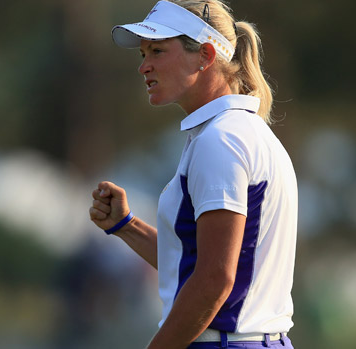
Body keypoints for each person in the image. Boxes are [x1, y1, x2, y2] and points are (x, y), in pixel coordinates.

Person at [89, 1, 297, 348]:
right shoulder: (239, 131)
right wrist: (126, 226)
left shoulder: (221, 141)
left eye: (157, 50)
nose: (144, 67)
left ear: (205, 55)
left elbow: (214, 279)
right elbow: (196, 260)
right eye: (143, 54)